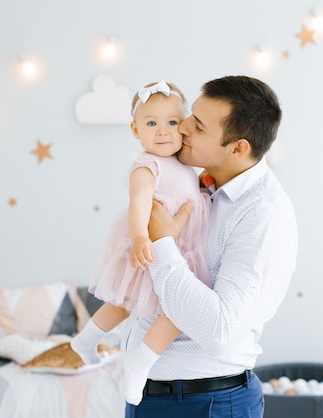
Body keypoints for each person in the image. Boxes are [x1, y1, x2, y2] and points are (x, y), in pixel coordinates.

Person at [124, 75, 298, 418]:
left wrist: (161, 241)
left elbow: (219, 331)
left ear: (238, 148)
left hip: (205, 403)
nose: (182, 127)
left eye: (198, 126)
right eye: (191, 115)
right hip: (154, 396)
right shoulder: (203, 185)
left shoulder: (261, 216)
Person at [71, 80, 212, 406]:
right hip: (151, 244)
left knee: (154, 303)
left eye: (172, 122)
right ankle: (139, 361)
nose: (162, 132)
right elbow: (139, 205)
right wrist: (138, 239)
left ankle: (87, 340)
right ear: (136, 129)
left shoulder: (186, 164)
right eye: (151, 123)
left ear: (185, 126)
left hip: (180, 247)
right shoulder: (145, 166)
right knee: (141, 302)